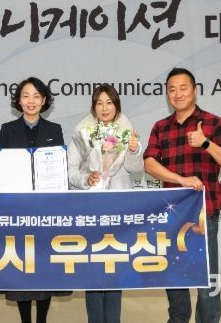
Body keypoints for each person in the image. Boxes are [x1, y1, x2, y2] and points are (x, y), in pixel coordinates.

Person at [143, 67, 221, 323]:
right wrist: (181, 180)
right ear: (167, 94)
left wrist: (206, 143)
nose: (177, 94)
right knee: (174, 275)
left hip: (204, 214)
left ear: (195, 91)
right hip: (171, 213)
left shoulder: (214, 123)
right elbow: (149, 164)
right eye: (172, 89)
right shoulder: (160, 127)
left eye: (183, 88)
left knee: (206, 279)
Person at [67, 83, 142, 323]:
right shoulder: (82, 131)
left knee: (114, 267)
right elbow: (70, 170)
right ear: (93, 106)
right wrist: (86, 179)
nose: (104, 108)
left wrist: (134, 150)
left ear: (117, 105)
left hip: (118, 207)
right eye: (99, 103)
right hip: (91, 209)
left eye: (109, 102)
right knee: (94, 270)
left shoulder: (127, 130)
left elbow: (135, 169)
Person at [0, 77, 70, 323]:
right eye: (26, 96)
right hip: (17, 210)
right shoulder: (7, 129)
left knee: (44, 267)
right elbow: (5, 169)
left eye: (37, 96)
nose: (31, 101)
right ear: (18, 100)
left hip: (47, 211)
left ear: (44, 100)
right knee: (22, 268)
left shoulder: (54, 130)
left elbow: (59, 169)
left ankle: (41, 320)